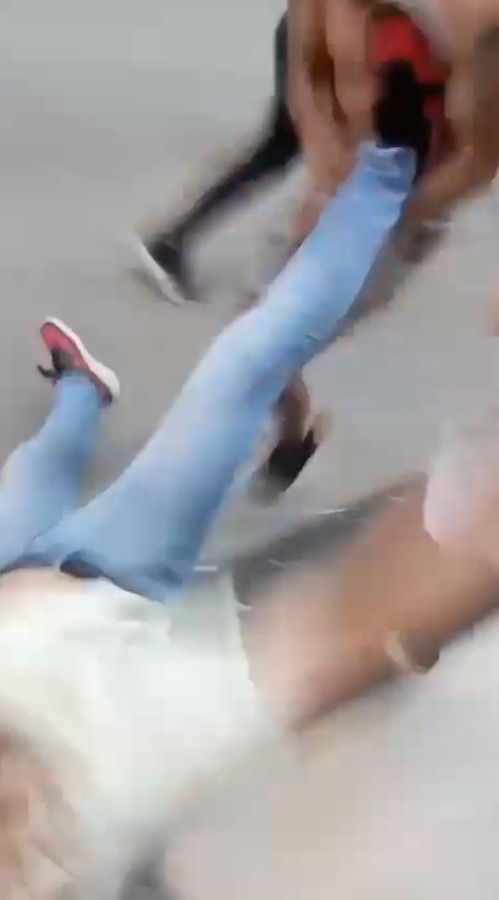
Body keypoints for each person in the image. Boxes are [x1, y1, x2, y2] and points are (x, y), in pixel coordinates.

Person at [137, 5, 447, 307]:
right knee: (310, 153)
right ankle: (270, 268)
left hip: (356, 42)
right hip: (331, 41)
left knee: (292, 151)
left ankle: (188, 244)